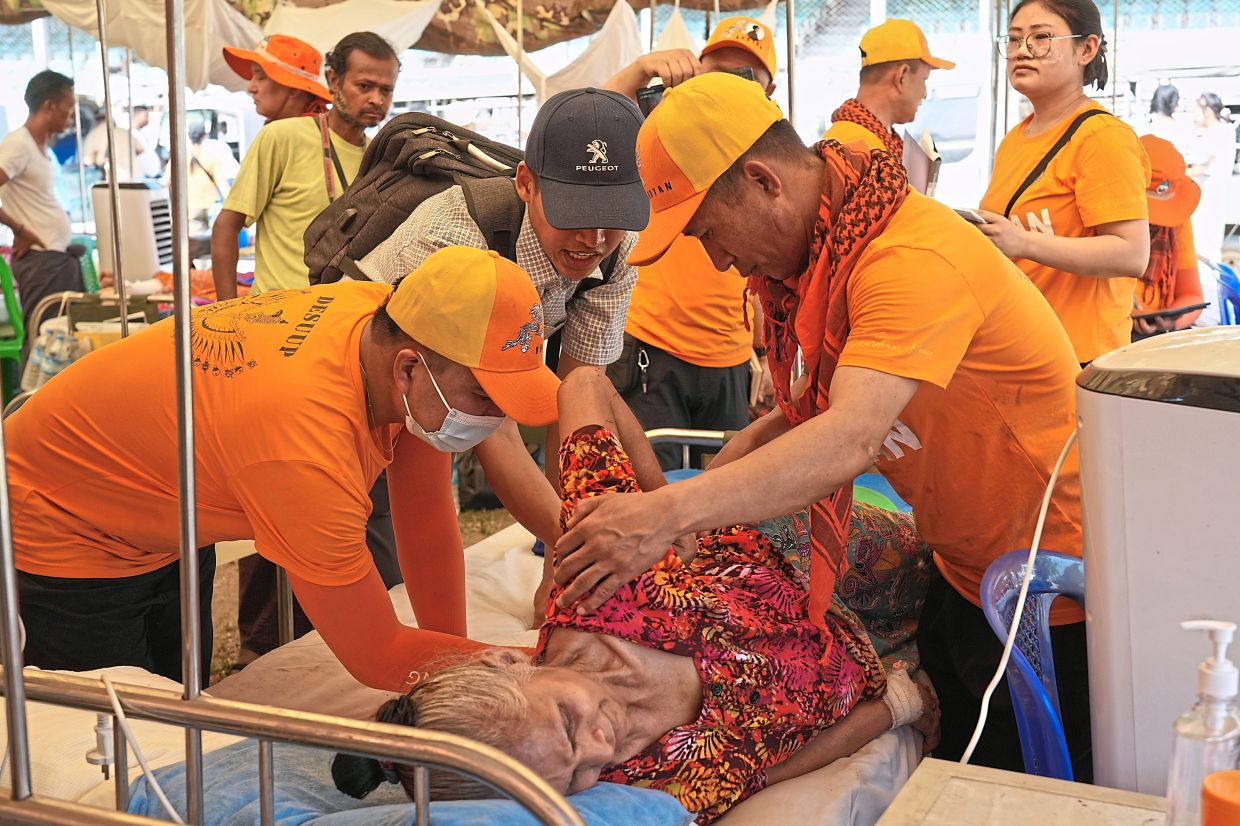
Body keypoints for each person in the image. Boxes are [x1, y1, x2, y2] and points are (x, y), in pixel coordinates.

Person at [552, 71, 1090, 778]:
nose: (716, 260)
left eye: (709, 231)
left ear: (763, 180)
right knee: (958, 755)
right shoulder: (828, 263)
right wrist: (689, 522)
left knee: (1028, 788)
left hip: (1048, 585)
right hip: (964, 573)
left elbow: (849, 437)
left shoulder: (906, 260)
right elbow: (803, 417)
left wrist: (663, 513)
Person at [332, 369, 939, 822]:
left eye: (569, 724)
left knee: (958, 566)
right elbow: (768, 771)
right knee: (980, 651)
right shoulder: (639, 781)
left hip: (815, 560)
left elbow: (585, 386)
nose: (602, 748)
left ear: (509, 660)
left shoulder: (600, 588)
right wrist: (897, 707)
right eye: (578, 775)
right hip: (879, 665)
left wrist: (668, 521)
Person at [7, 245, 561, 691]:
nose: (496, 417)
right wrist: (545, 668)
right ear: (410, 369)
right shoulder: (304, 447)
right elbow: (379, 655)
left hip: (162, 510)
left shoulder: (384, 322)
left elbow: (424, 517)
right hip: (61, 523)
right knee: (124, 738)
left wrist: (455, 663)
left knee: (181, 698)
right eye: (485, 396)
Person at [356, 87, 647, 560]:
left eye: (613, 218)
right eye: (574, 214)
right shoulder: (456, 239)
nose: (593, 240)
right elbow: (494, 429)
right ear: (526, 183)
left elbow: (577, 399)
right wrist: (573, 548)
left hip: (448, 382)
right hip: (376, 389)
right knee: (380, 532)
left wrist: (560, 567)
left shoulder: (619, 254)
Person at [600, 17, 777, 470]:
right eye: (715, 71)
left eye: (745, 78)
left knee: (728, 502)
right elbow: (595, 129)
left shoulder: (775, 157)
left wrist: (766, 351)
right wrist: (639, 72)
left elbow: (774, 267)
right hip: (654, 350)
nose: (726, 86)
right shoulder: (666, 130)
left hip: (731, 360)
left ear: (768, 92)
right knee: (650, 486)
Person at [976, 0, 1150, 366]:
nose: (1022, 51)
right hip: (1023, 348)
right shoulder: (1016, 138)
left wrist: (1021, 241)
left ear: (1085, 49)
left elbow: (1131, 254)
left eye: (1041, 38)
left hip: (1081, 358)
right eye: (1013, 39)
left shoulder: (1101, 137)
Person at [212, 31, 398, 300]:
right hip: (277, 319)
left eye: (386, 90)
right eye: (364, 86)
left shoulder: (379, 157)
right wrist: (225, 314)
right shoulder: (279, 137)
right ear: (333, 81)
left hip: (342, 318)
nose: (377, 99)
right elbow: (226, 227)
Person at [0, 70, 83, 366]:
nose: (71, 116)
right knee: (42, 346)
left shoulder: (41, 148)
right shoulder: (18, 144)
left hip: (54, 259)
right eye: (68, 107)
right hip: (40, 262)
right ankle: (27, 410)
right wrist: (19, 228)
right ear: (49, 106)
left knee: (58, 349)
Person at [822, 18, 955, 155]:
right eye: (924, 79)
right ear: (901, 77)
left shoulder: (865, 140)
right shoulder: (855, 150)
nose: (925, 93)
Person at [1133, 134, 1205, 337]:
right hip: (1114, 333)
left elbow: (1192, 296)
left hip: (1164, 334)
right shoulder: (1099, 224)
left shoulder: (1178, 223)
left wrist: (1171, 322)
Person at [223, 34, 331, 122]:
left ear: (294, 89)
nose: (250, 88)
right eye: (253, 77)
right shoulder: (321, 131)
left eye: (261, 77)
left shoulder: (296, 137)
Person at [1187, 92, 1235, 263]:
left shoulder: (1217, 133)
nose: (1194, 116)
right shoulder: (1225, 131)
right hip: (1213, 199)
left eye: (1196, 110)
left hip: (1206, 201)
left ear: (1206, 109)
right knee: (1208, 249)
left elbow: (1198, 167)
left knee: (1201, 250)